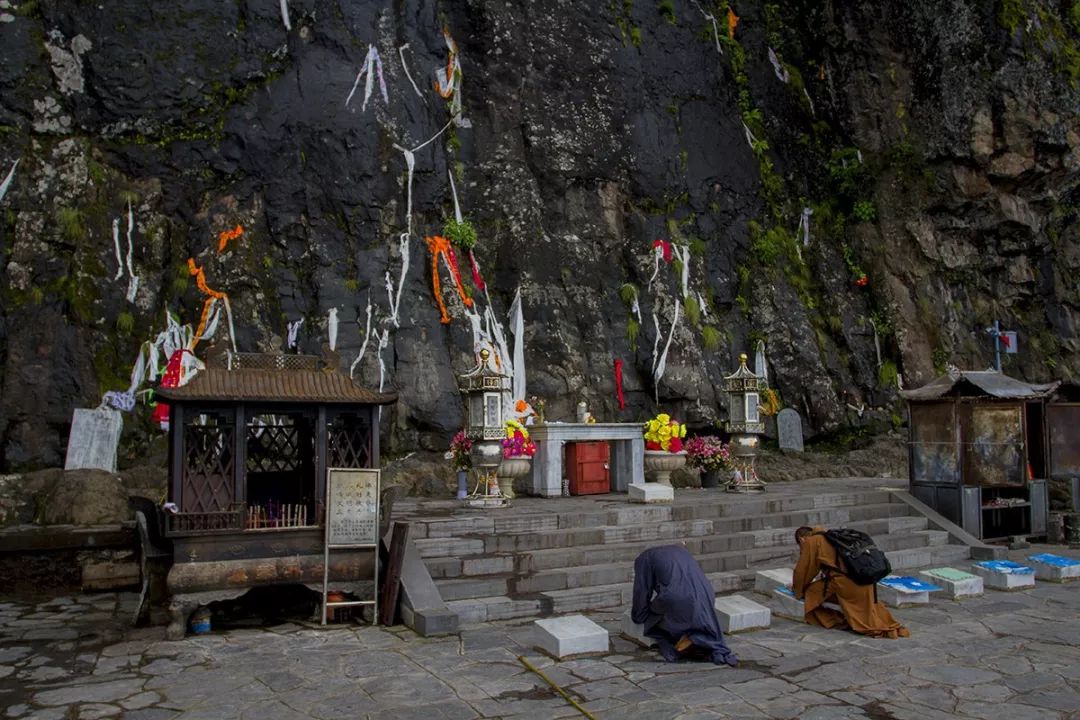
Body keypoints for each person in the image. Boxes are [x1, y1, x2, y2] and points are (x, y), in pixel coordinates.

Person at [791, 526, 910, 639]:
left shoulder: (812, 541)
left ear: (802, 539)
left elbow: (803, 571)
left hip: (846, 582)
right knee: (869, 608)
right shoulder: (832, 537)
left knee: (812, 593)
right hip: (866, 580)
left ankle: (834, 620)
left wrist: (798, 589)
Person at [631, 545, 738, 665]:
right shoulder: (681, 551)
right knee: (696, 614)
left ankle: (689, 639)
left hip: (676, 596)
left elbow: (642, 590)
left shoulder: (643, 559)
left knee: (655, 617)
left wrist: (638, 615)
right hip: (706, 592)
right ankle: (697, 638)